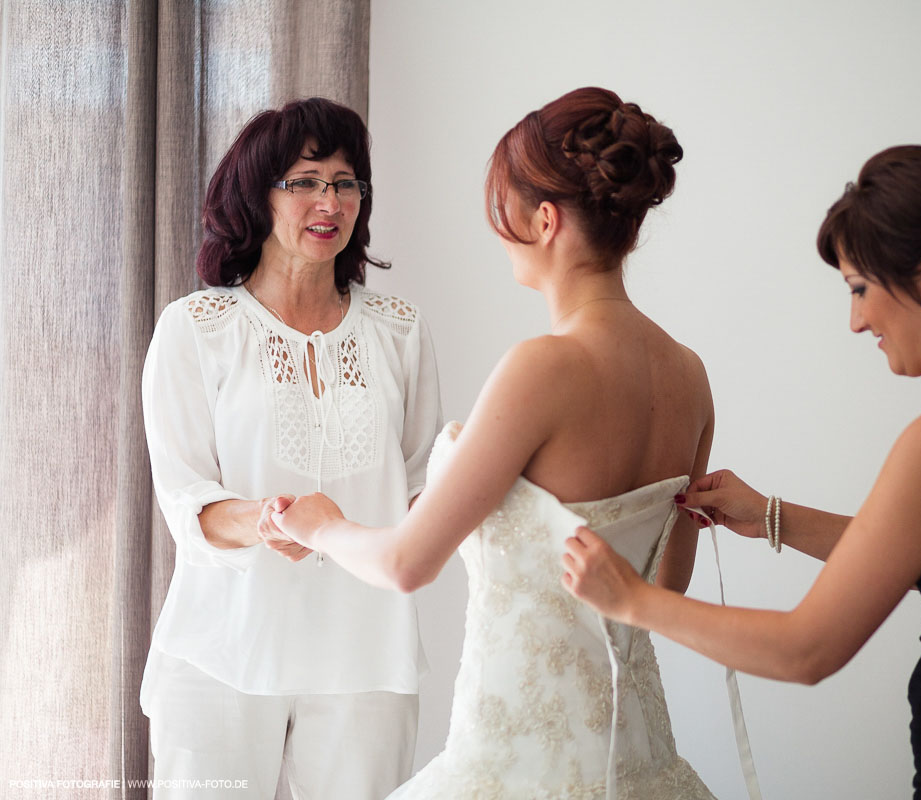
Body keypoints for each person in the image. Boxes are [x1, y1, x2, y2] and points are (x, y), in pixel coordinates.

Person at [562, 145, 921, 799]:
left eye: (860, 289)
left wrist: (634, 600)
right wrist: (772, 516)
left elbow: (806, 651)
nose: (857, 321)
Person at [271, 87, 718, 799]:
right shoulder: (689, 376)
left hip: (514, 767)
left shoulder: (545, 368)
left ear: (544, 220)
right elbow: (666, 589)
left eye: (503, 207)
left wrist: (321, 526)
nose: (497, 228)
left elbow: (408, 563)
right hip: (636, 765)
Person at [140, 97, 442, 799]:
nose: (329, 200)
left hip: (368, 658)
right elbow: (188, 503)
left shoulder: (400, 329)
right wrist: (272, 519)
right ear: (256, 193)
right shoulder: (195, 328)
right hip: (221, 652)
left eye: (345, 182)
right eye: (304, 180)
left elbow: (424, 485)